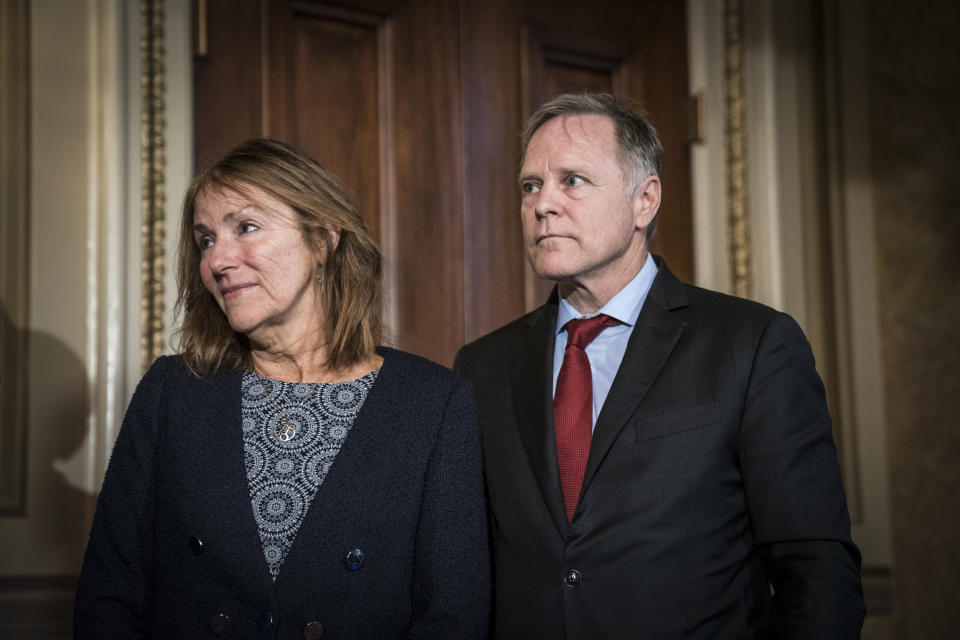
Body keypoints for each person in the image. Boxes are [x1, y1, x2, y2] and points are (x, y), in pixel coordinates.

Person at [454, 93, 865, 638]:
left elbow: (815, 570)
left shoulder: (752, 344)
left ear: (644, 200)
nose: (543, 204)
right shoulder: (481, 366)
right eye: (531, 186)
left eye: (572, 180)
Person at [75, 138, 490, 638]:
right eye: (205, 240)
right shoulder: (172, 391)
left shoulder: (433, 402)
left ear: (322, 240)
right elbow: (109, 598)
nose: (218, 261)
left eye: (245, 227)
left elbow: (453, 617)